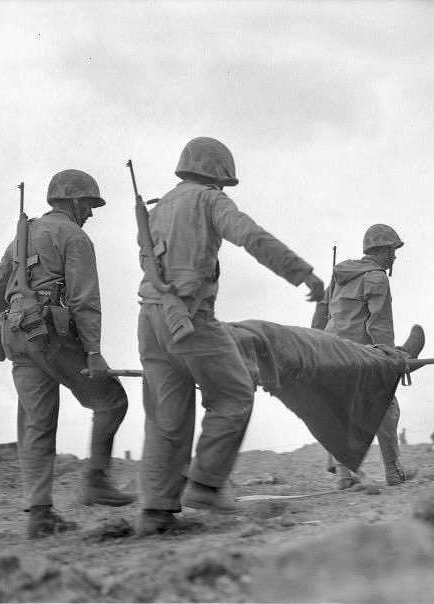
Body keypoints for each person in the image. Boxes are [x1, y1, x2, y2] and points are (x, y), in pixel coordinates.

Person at [136, 136, 326, 535]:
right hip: (191, 317)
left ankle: (154, 512)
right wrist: (300, 271)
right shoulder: (209, 200)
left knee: (164, 417)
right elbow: (249, 235)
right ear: (218, 175)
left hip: (151, 320)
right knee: (235, 392)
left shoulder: (158, 208)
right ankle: (205, 483)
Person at [0, 169, 136, 539]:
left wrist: (3, 319)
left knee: (36, 422)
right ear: (72, 200)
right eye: (88, 203)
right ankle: (96, 482)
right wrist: (94, 353)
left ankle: (39, 514)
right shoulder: (75, 236)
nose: (91, 211)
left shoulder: (21, 237)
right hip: (47, 335)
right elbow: (85, 299)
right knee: (112, 400)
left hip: (17, 336)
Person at [312, 224, 422, 489]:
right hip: (359, 355)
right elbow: (379, 325)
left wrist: (315, 349)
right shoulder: (376, 277)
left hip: (330, 353)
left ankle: (343, 476)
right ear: (383, 250)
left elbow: (321, 315)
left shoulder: (339, 276)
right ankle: (394, 471)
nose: (394, 257)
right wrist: (390, 358)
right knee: (386, 407)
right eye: (393, 250)